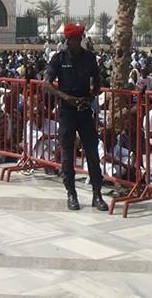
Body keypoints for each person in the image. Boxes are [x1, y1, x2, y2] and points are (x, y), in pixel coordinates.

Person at [43, 23, 108, 211]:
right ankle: (71, 193)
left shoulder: (89, 58)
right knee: (67, 153)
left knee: (92, 153)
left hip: (84, 110)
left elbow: (98, 79)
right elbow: (46, 83)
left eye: (79, 39)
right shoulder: (58, 58)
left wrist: (92, 96)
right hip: (67, 111)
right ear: (67, 40)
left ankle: (97, 194)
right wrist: (66, 98)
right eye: (73, 40)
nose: (77, 43)